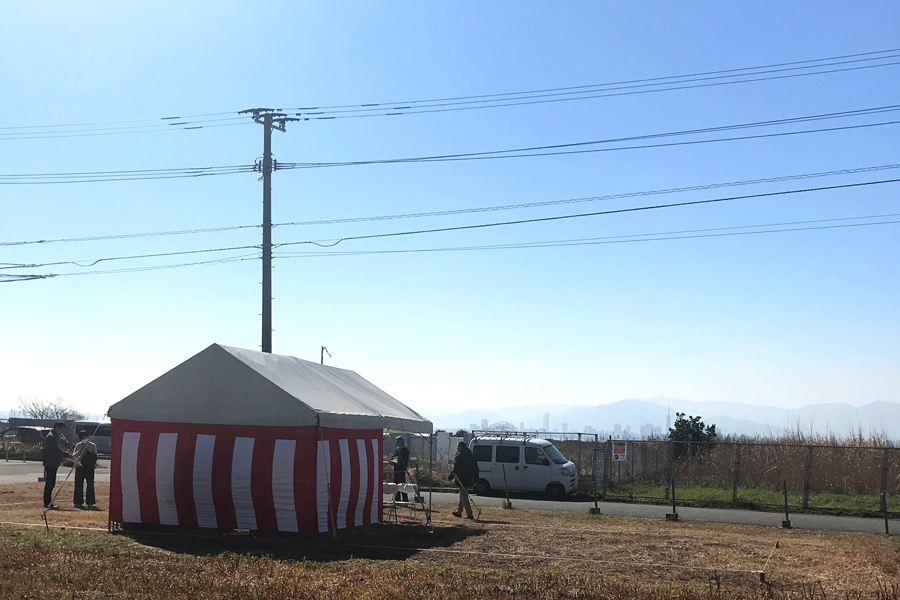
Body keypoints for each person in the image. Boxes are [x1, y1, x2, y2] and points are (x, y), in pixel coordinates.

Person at [42, 422, 72, 510]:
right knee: (50, 483)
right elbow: (55, 450)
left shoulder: (54, 436)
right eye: (61, 429)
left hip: (52, 462)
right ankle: (47, 502)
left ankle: (48, 502)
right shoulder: (51, 437)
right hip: (50, 462)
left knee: (51, 482)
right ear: (57, 428)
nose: (62, 432)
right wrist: (67, 455)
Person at [450, 441, 479, 519]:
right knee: (462, 495)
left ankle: (470, 514)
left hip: (461, 478)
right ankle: (459, 512)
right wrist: (476, 478)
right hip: (469, 478)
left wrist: (450, 476)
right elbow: (476, 468)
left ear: (459, 447)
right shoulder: (471, 455)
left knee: (464, 496)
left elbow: (456, 468)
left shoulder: (459, 455)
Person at [73, 429, 99, 509]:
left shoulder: (92, 445)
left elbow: (95, 456)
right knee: (78, 484)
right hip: (80, 466)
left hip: (89, 468)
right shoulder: (78, 445)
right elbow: (73, 455)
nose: (84, 439)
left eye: (85, 437)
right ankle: (78, 502)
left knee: (90, 484)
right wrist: (79, 452)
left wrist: (89, 452)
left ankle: (90, 502)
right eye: (82, 437)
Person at [390, 436, 411, 501]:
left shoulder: (404, 450)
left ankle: (405, 499)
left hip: (401, 469)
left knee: (402, 484)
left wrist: (398, 461)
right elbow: (394, 457)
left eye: (397, 441)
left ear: (400, 442)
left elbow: (403, 460)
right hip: (396, 469)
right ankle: (397, 499)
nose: (396, 443)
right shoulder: (397, 450)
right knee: (396, 484)